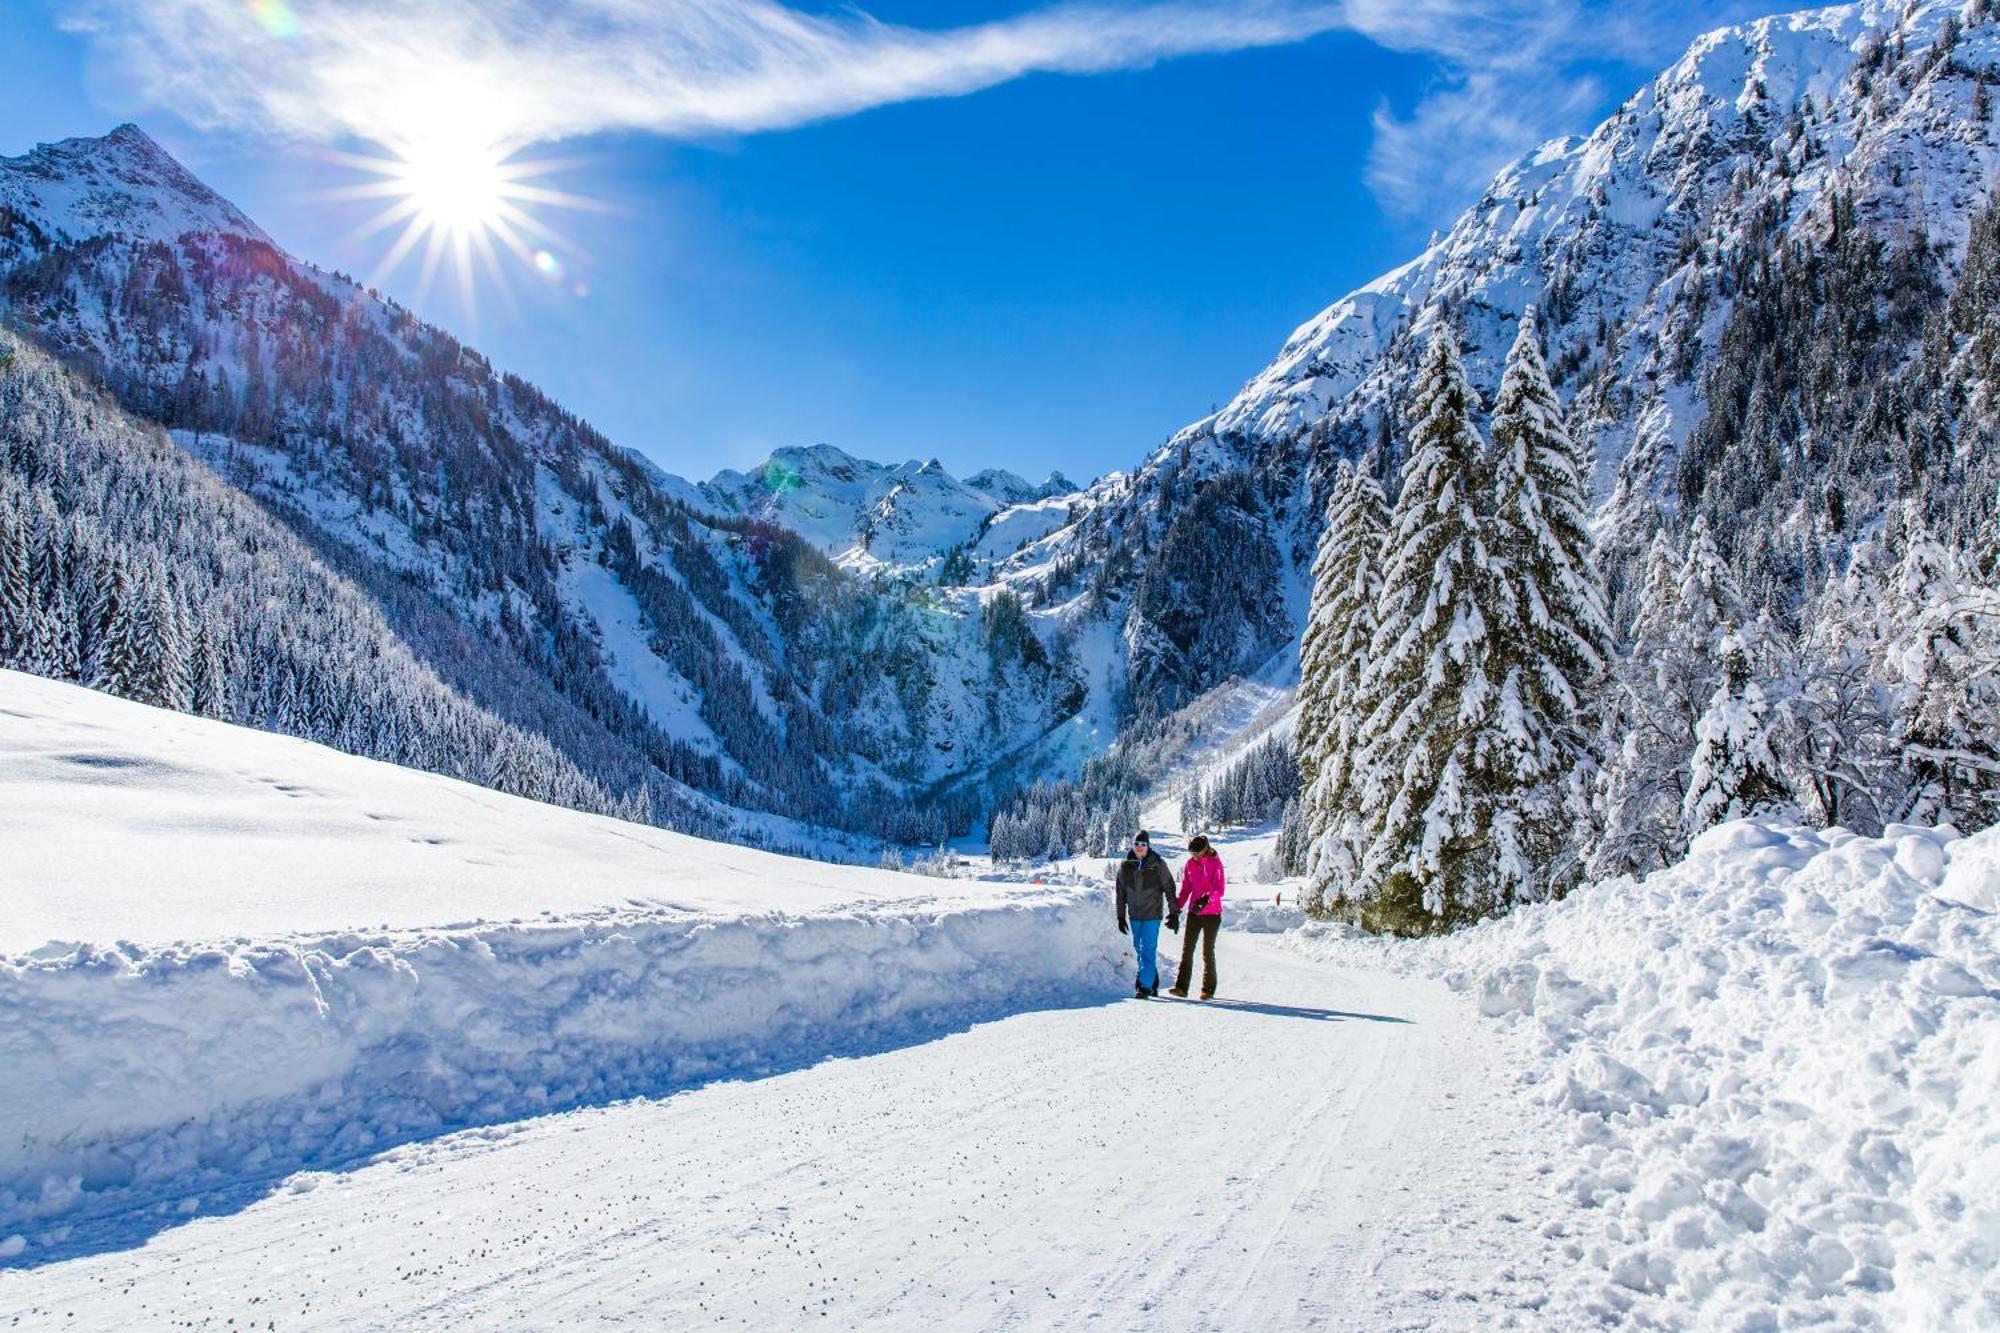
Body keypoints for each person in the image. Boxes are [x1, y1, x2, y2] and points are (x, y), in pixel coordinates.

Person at [1114, 830, 1179, 998]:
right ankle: (1153, 982)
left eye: (1143, 844)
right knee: (1139, 950)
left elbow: (1170, 889)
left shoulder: (1158, 864)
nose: (1140, 847)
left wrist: (1174, 913)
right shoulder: (1125, 866)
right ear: (1132, 845)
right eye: (1137, 844)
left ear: (1148, 846)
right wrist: (1120, 917)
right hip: (1134, 915)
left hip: (1152, 915)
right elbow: (1120, 894)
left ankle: (1143, 987)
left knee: (1147, 950)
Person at [1169, 834, 1225, 999]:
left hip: (1212, 915)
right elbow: (1186, 888)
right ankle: (1181, 988)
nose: (1194, 856)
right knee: (1187, 950)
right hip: (1194, 913)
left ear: (1205, 849)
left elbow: (1220, 890)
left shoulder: (1216, 863)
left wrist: (1207, 899)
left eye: (1196, 853)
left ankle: (1208, 990)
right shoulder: (1190, 864)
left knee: (1207, 952)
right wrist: (1176, 908)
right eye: (1191, 853)